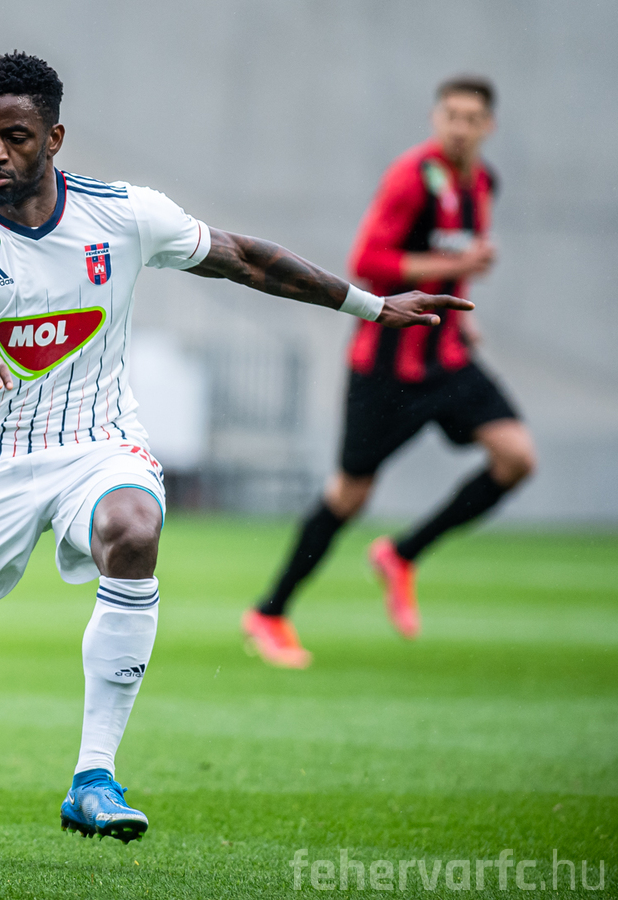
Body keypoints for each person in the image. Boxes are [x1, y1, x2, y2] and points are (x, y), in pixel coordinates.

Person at [0, 52, 465, 852]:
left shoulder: (124, 215)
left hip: (98, 445)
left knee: (133, 525)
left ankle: (94, 776)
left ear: (54, 138)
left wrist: (370, 306)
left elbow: (246, 258)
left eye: (14, 136)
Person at [243, 75, 534, 669]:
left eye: (471, 118)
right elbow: (368, 261)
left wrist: (464, 308)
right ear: (435, 117)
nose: (459, 127)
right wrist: (457, 262)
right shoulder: (410, 177)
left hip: (448, 357)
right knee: (350, 495)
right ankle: (269, 613)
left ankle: (402, 555)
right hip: (386, 367)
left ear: (488, 126)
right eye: (450, 115)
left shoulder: (482, 182)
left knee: (516, 457)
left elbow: (452, 262)